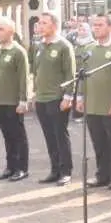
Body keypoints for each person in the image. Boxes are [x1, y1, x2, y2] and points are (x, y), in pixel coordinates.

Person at [76, 14, 111, 189]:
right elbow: (83, 75)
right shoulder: (89, 49)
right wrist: (81, 97)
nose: (95, 28)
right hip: (92, 104)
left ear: (110, 27)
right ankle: (102, 174)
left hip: (110, 104)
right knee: (98, 142)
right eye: (94, 25)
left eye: (100, 25)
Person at [32, 12, 76, 187]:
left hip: (57, 98)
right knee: (49, 136)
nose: (40, 26)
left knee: (60, 135)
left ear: (54, 26)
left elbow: (70, 74)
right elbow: (36, 72)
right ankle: (54, 169)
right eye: (39, 23)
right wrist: (35, 93)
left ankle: (66, 171)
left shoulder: (64, 46)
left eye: (44, 23)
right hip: (42, 98)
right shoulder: (39, 46)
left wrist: (68, 96)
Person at [0, 19, 30, 182]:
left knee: (18, 135)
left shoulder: (18, 52)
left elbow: (23, 78)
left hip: (13, 101)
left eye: (1, 29)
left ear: (11, 32)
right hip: (0, 100)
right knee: (7, 136)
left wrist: (23, 100)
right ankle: (10, 166)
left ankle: (21, 168)